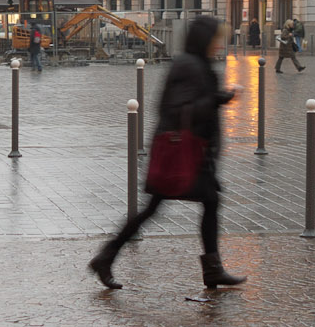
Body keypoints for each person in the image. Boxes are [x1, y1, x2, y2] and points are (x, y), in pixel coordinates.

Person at [87, 15, 246, 290]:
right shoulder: (189, 66)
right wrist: (220, 98)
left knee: (198, 203)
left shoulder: (195, 64)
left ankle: (108, 256)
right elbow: (177, 109)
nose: (219, 45)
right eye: (216, 39)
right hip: (183, 152)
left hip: (191, 152)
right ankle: (106, 256)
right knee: (178, 206)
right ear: (204, 40)